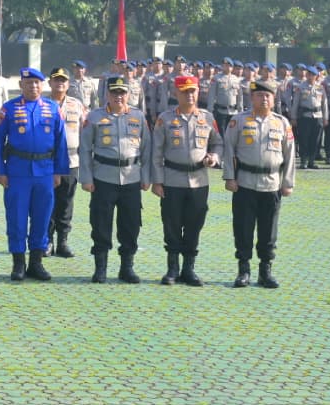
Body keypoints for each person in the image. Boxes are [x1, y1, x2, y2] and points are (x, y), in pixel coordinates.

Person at [0, 68, 69, 282]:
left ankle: (36, 262)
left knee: (42, 217)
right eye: (28, 83)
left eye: (37, 83)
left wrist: (59, 171)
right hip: (17, 171)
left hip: (45, 171)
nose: (33, 86)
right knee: (16, 218)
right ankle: (18, 263)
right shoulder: (8, 108)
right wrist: (0, 170)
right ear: (21, 85)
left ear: (42, 85)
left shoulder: (52, 108)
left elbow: (61, 141)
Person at [222, 79, 295, 289]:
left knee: (268, 231)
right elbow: (228, 149)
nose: (264, 99)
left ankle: (265, 271)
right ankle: (243, 270)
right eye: (259, 95)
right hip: (245, 183)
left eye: (267, 96)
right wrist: (229, 177)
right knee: (243, 228)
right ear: (252, 97)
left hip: (272, 184)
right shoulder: (239, 121)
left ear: (273, 99)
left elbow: (289, 154)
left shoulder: (281, 123)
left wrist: (288, 182)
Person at [78, 75, 151, 284]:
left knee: (131, 225)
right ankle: (100, 268)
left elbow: (147, 148)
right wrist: (86, 178)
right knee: (101, 224)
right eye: (114, 92)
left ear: (128, 94)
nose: (118, 96)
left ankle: (126, 268)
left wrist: (146, 177)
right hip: (103, 177)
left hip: (131, 178)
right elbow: (85, 149)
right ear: (107, 94)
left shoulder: (138, 116)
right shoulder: (94, 117)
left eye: (122, 92)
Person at [150, 74, 220, 286]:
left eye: (193, 91)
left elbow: (218, 143)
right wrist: (157, 181)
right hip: (172, 179)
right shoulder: (165, 119)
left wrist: (214, 157)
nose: (189, 95)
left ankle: (189, 268)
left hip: (199, 180)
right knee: (171, 224)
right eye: (185, 92)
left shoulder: (207, 118)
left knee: (194, 224)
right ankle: (172, 268)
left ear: (198, 92)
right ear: (176, 93)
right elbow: (156, 151)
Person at [45, 67, 87, 258]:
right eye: (56, 80)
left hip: (71, 161)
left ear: (68, 84)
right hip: (48, 161)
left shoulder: (76, 105)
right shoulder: (43, 104)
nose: (60, 83)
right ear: (50, 83)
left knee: (66, 202)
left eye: (63, 80)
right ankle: (47, 241)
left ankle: (62, 241)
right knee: (47, 202)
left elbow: (84, 133)